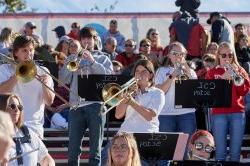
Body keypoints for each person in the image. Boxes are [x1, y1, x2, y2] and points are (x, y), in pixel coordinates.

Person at [60, 27, 113, 165]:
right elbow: (62, 80)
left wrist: (93, 62)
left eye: (89, 38)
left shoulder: (103, 57)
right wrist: (72, 63)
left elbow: (109, 77)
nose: (86, 41)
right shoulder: (73, 57)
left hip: (96, 105)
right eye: (83, 38)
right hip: (76, 106)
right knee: (73, 149)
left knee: (95, 150)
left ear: (94, 40)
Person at [0, 35, 55, 138]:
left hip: (34, 127)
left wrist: (45, 85)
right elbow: (1, 93)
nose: (29, 54)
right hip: (9, 126)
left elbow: (49, 101)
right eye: (24, 50)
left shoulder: (43, 71)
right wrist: (17, 75)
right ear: (16, 52)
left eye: (31, 50)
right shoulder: (4, 69)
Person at [205, 42, 250, 161]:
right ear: (218, 55)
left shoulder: (240, 70)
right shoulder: (212, 72)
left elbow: (244, 92)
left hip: (238, 113)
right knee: (220, 152)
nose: (227, 58)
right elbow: (209, 94)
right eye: (224, 55)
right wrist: (223, 78)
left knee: (235, 153)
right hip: (219, 113)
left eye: (230, 55)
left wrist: (236, 77)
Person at [154, 42, 197, 145]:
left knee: (187, 148)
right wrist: (171, 76)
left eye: (181, 54)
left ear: (185, 55)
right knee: (166, 149)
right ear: (169, 55)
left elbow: (196, 91)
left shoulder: (191, 72)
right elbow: (160, 92)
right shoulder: (161, 71)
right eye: (174, 53)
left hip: (187, 113)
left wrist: (185, 68)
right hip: (166, 114)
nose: (178, 56)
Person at [1, 94, 55, 166]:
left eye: (19, 107)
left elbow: (45, 157)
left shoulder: (27, 132)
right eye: (12, 106)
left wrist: (49, 164)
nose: (17, 110)